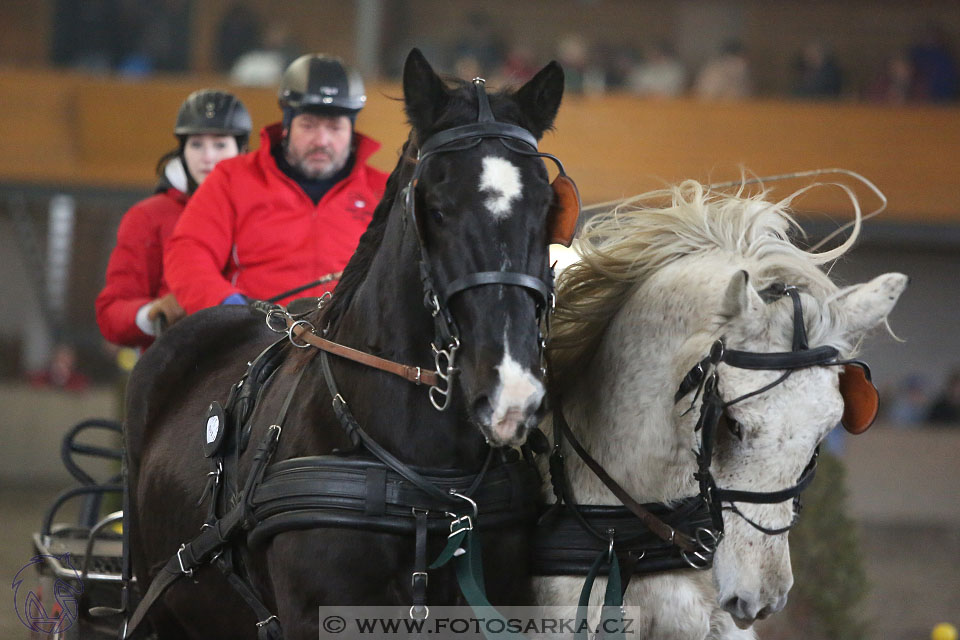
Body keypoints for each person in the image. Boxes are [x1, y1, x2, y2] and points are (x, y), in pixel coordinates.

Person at [164, 54, 389, 314]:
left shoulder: (383, 191)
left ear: (351, 132)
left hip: (351, 341)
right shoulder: (232, 178)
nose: (322, 140)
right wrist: (227, 306)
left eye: (335, 127)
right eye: (308, 125)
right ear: (286, 127)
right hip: (253, 335)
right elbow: (188, 252)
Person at [95, 89, 252, 348]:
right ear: (183, 150)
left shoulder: (265, 211)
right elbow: (111, 314)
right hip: (178, 365)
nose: (208, 156)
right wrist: (152, 313)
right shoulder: (147, 217)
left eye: (220, 144)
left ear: (242, 149)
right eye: (197, 144)